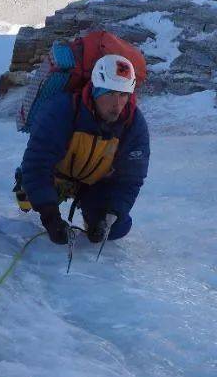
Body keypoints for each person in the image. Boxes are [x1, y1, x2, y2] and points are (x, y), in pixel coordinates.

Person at [18, 54, 150, 245]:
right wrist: (50, 216)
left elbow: (130, 179)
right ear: (96, 90)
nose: (117, 105)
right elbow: (37, 164)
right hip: (56, 174)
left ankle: (94, 213)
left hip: (94, 182)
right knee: (28, 196)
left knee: (117, 228)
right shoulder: (62, 109)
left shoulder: (133, 125)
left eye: (123, 95)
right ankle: (33, 192)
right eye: (110, 93)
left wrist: (111, 215)